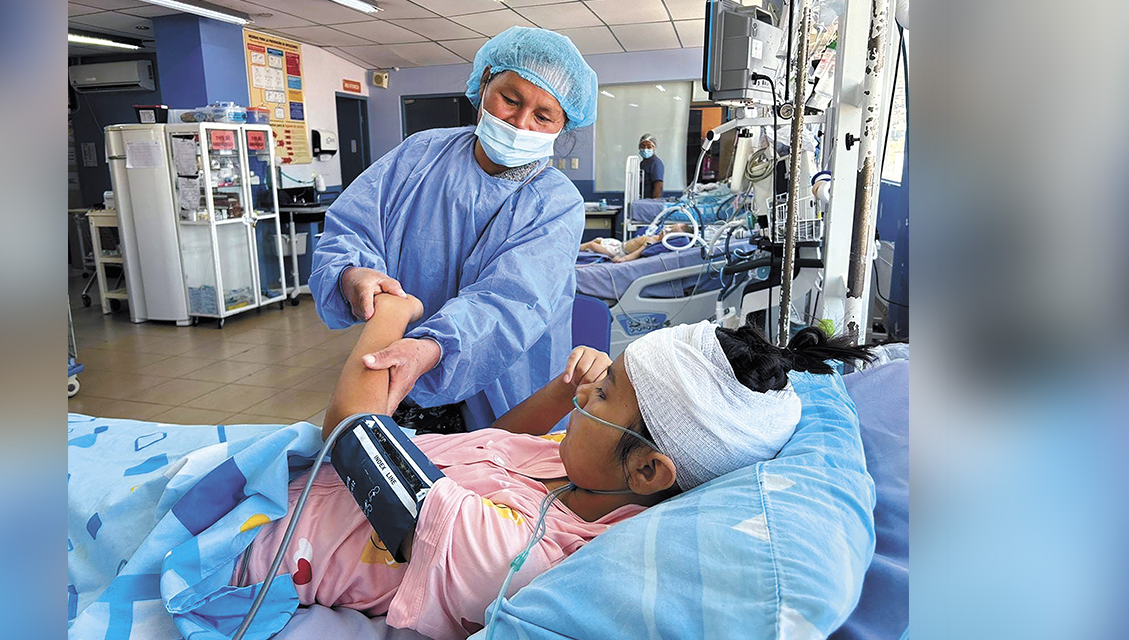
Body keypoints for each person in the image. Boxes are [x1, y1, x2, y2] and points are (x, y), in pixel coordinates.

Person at [234, 291, 875, 640]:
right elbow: (490, 444)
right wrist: (565, 395)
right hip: (285, 482)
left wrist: (393, 319)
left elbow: (350, 431)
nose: (591, 390)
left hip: (254, 547)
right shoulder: (578, 474)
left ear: (650, 471)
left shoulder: (526, 553)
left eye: (607, 391)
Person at [310, 27, 600, 433]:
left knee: (483, 485)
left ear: (562, 125)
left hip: (506, 391)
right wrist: (351, 274)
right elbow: (352, 228)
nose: (519, 124)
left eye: (543, 116)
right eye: (510, 100)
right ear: (484, 84)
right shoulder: (420, 155)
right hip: (398, 370)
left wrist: (433, 346)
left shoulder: (555, 203)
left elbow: (509, 302)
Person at [579, 222, 688, 263]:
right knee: (599, 240)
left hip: (618, 252)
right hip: (619, 244)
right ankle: (581, 247)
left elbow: (638, 253)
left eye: (671, 231)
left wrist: (623, 259)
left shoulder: (651, 242)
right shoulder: (654, 235)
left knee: (592, 245)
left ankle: (574, 249)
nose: (667, 229)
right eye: (670, 226)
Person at [639, 133, 665, 199]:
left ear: (654, 148)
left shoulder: (655, 163)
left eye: (649, 146)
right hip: (642, 199)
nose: (645, 149)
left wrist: (654, 202)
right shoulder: (643, 163)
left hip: (650, 201)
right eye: (642, 146)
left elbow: (658, 184)